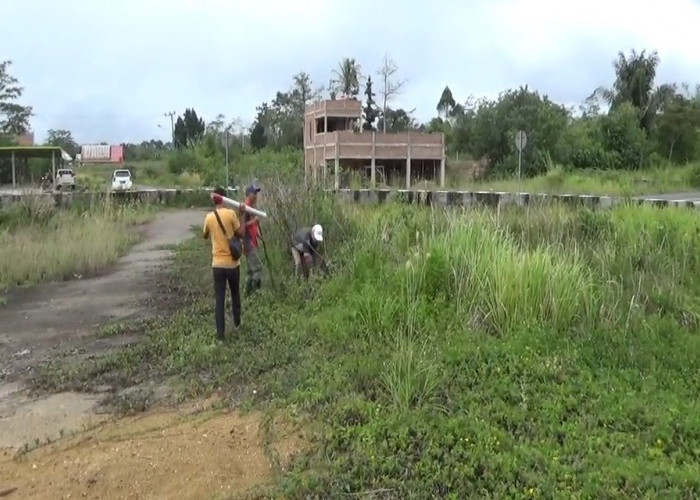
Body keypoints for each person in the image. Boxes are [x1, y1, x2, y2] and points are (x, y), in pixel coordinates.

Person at [202, 187, 245, 341]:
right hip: (233, 264)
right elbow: (241, 234)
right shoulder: (232, 214)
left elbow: (205, 235)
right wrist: (242, 215)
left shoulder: (209, 217)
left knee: (219, 299)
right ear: (225, 199)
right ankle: (237, 323)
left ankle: (220, 335)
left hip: (217, 265)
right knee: (235, 294)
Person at [242, 183, 263, 296]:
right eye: (254, 193)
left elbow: (253, 226)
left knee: (251, 271)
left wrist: (259, 236)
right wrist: (254, 221)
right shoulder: (245, 208)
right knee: (258, 269)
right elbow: (242, 226)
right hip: (248, 243)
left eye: (256, 193)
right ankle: (256, 293)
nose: (256, 195)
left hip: (253, 241)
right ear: (248, 194)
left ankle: (247, 294)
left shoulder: (252, 207)